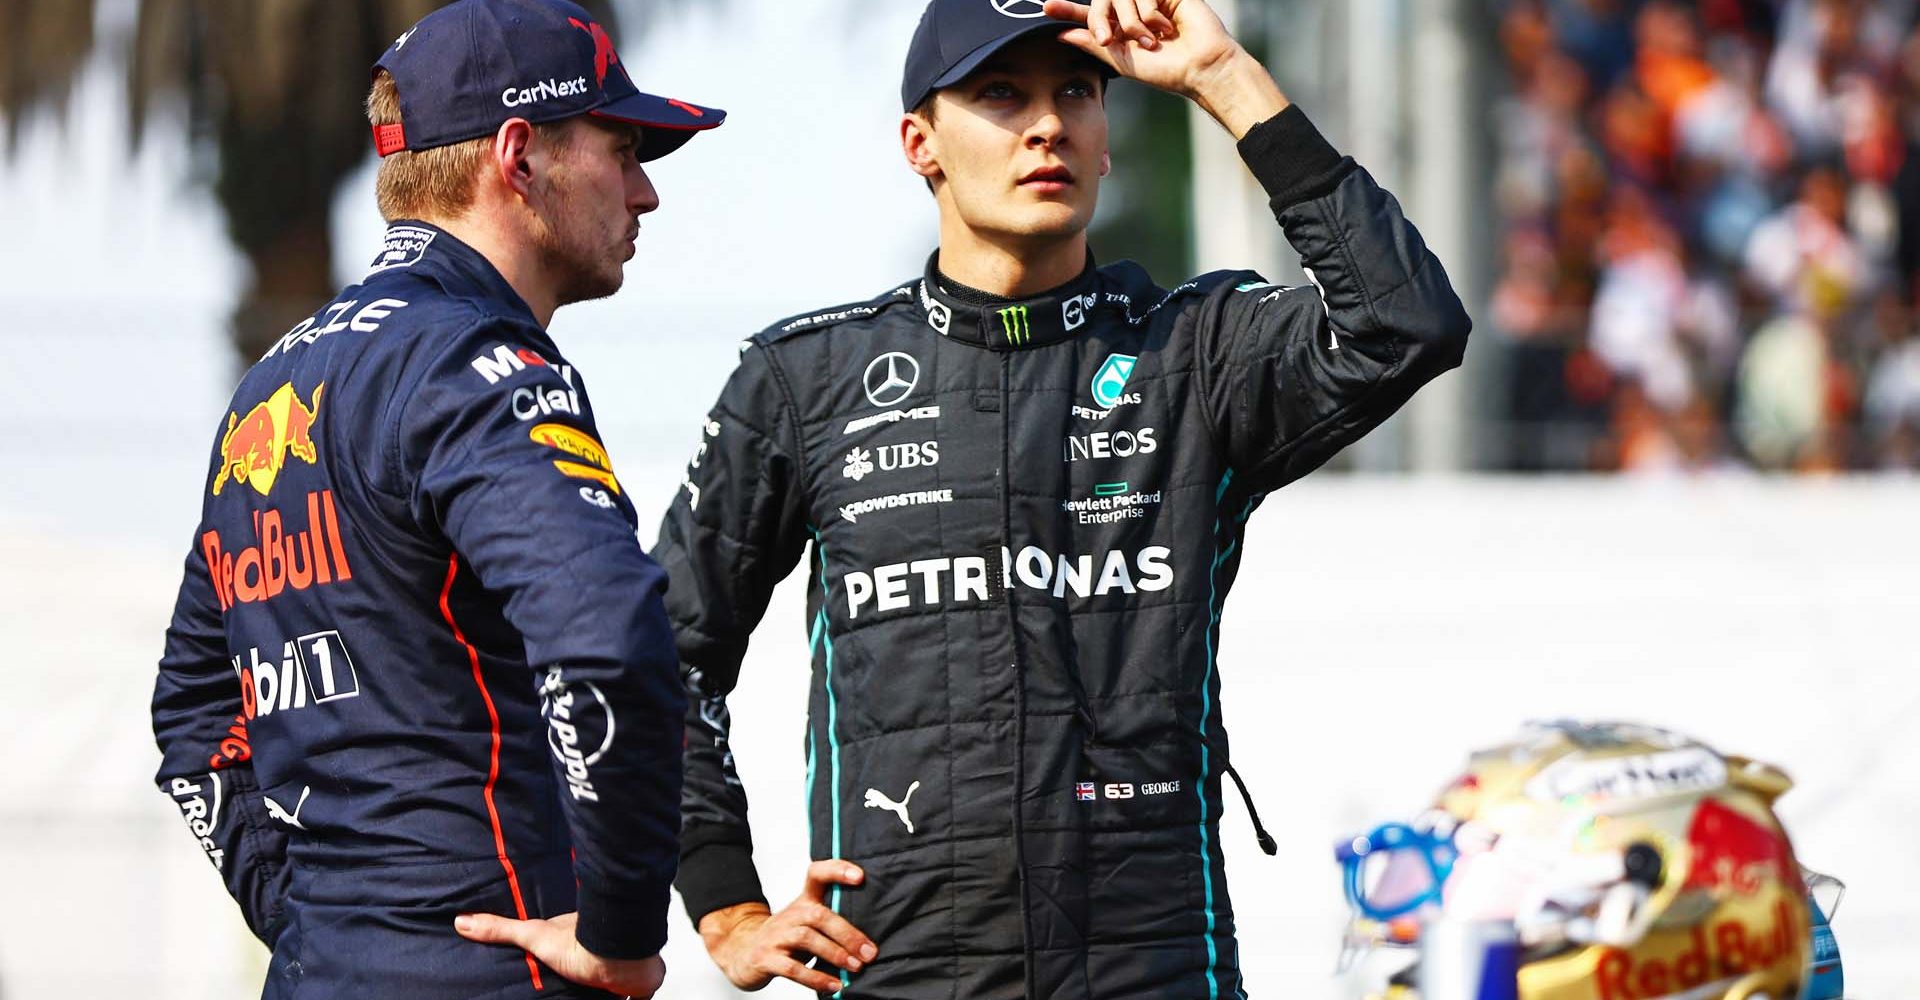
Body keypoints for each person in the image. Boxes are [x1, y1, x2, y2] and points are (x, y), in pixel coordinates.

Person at [654, 0, 1470, 996]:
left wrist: (1224, 78)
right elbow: (663, 655)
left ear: (1107, 140)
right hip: (906, 972)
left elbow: (1408, 323)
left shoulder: (1194, 351)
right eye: (1003, 94)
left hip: (1155, 971)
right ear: (921, 143)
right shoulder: (805, 378)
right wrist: (724, 900)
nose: (1050, 124)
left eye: (1076, 93)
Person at [148, 1, 722, 996]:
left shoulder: (272, 387)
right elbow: (610, 641)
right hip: (499, 968)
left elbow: (196, 717)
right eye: (622, 147)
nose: (644, 192)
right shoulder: (473, 360)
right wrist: (623, 928)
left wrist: (308, 918)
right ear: (518, 154)